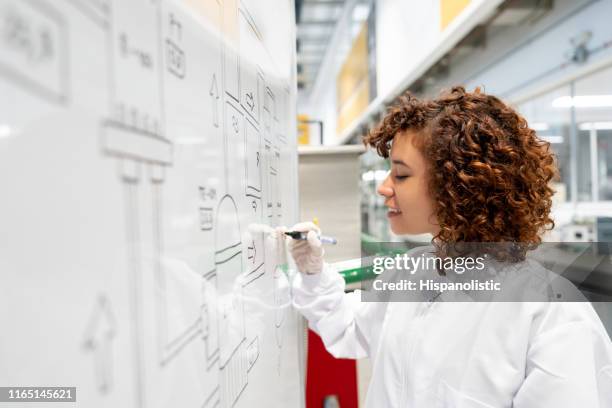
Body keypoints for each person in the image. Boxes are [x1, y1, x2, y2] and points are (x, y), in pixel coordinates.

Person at [280, 87, 612, 407]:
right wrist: (313, 274)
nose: (383, 188)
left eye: (400, 175)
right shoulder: (410, 273)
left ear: (455, 186)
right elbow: (350, 328)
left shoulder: (552, 314)